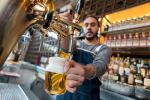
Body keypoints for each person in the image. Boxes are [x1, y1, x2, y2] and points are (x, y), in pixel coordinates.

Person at [56, 16, 112, 100]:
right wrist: (64, 30)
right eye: (86, 25)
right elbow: (65, 47)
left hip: (87, 97)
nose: (89, 27)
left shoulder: (103, 49)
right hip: (65, 93)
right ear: (83, 28)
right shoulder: (76, 43)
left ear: (98, 28)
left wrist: (85, 70)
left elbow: (100, 66)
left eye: (93, 25)